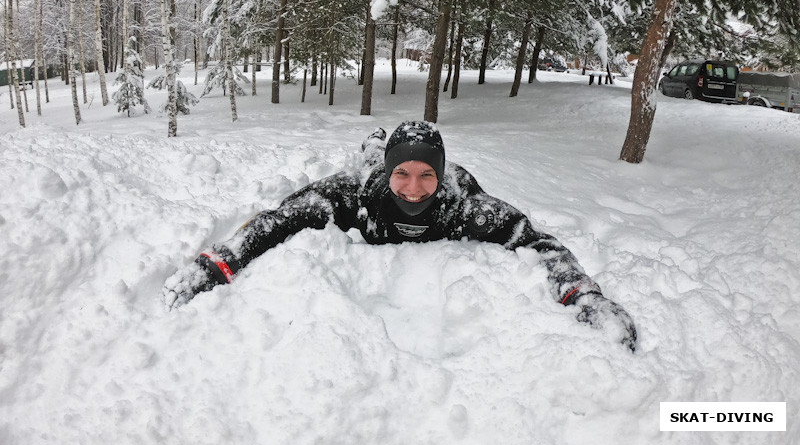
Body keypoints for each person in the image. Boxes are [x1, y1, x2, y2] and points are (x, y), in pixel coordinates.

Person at [163, 121, 637, 351]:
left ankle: (383, 144)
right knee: (369, 158)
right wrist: (216, 265)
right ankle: (376, 143)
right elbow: (279, 220)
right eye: (403, 174)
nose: (414, 188)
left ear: (442, 174)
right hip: (370, 172)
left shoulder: (465, 206)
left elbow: (538, 242)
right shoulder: (355, 195)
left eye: (427, 175)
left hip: (453, 183)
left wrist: (583, 295)